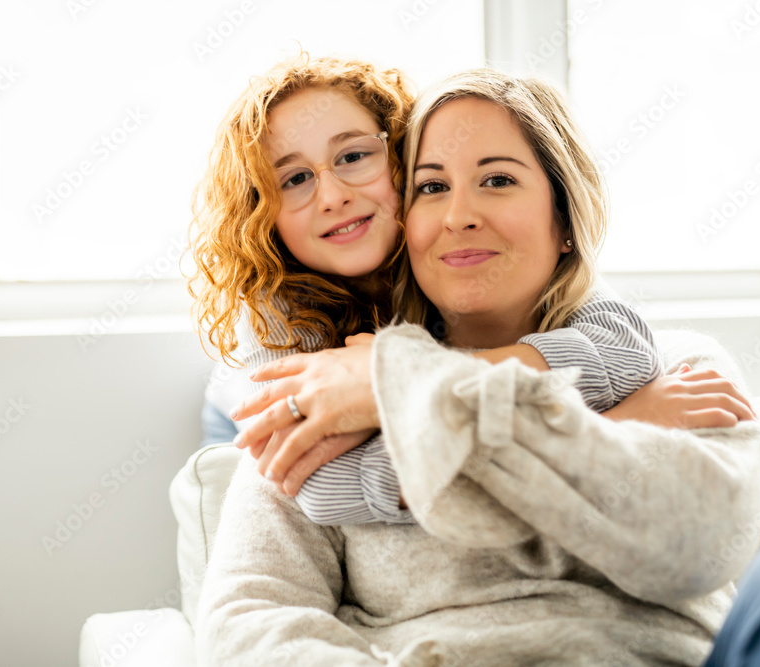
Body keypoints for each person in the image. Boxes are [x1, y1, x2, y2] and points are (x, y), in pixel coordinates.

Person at [194, 69, 760, 666]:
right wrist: (606, 426)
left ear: (566, 219)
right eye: (433, 186)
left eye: (498, 180)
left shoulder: (675, 370)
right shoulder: (322, 398)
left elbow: (697, 550)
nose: (459, 215)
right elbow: (248, 628)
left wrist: (412, 388)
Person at [190, 54, 728, 527]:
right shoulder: (272, 306)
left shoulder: (452, 244)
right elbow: (328, 488)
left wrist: (406, 384)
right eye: (293, 179)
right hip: (235, 403)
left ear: (400, 156)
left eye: (353, 156)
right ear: (261, 213)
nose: (332, 196)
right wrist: (614, 428)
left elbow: (622, 349)